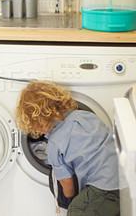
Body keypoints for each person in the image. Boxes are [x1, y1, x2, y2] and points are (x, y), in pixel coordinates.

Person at [15, 81, 120, 216]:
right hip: (126, 176)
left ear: (35, 122)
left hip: (103, 188)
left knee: (76, 210)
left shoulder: (54, 145)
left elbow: (67, 182)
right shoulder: (86, 116)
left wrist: (71, 199)